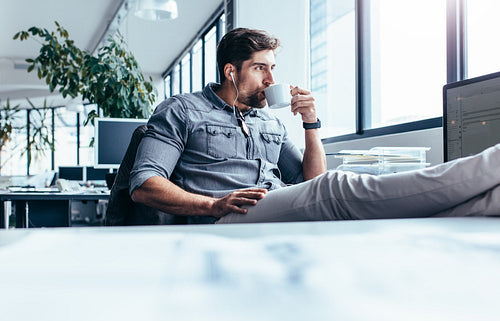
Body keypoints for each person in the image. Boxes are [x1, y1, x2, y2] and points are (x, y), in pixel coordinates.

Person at [130, 27, 500, 224]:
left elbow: (309, 180)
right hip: (227, 217)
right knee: (337, 189)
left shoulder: (267, 122)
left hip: (273, 205)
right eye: (261, 68)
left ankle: (489, 201)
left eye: (273, 68)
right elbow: (145, 185)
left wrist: (311, 124)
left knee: (333, 190)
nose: (271, 79)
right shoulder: (182, 110)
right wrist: (213, 205)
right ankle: (493, 163)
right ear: (231, 71)